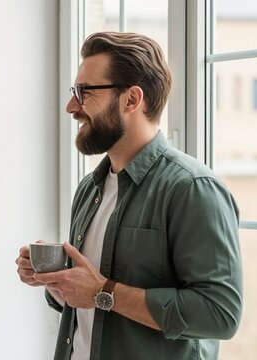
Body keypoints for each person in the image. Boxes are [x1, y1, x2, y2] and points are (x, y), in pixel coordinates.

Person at [15, 32, 242, 359]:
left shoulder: (192, 189)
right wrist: (57, 282)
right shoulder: (89, 188)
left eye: (84, 92)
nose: (71, 106)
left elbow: (221, 314)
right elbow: (86, 303)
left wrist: (102, 292)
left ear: (132, 100)